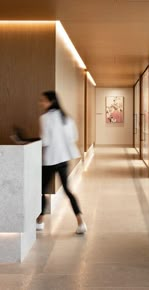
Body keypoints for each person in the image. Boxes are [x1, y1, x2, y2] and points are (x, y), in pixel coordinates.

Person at [36, 90, 87, 235]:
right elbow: (74, 137)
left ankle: (40, 221)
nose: (41, 103)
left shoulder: (45, 118)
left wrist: (32, 141)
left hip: (50, 159)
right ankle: (80, 222)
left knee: (42, 190)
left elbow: (45, 140)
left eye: (43, 100)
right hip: (64, 159)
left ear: (51, 101)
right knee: (67, 190)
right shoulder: (67, 118)